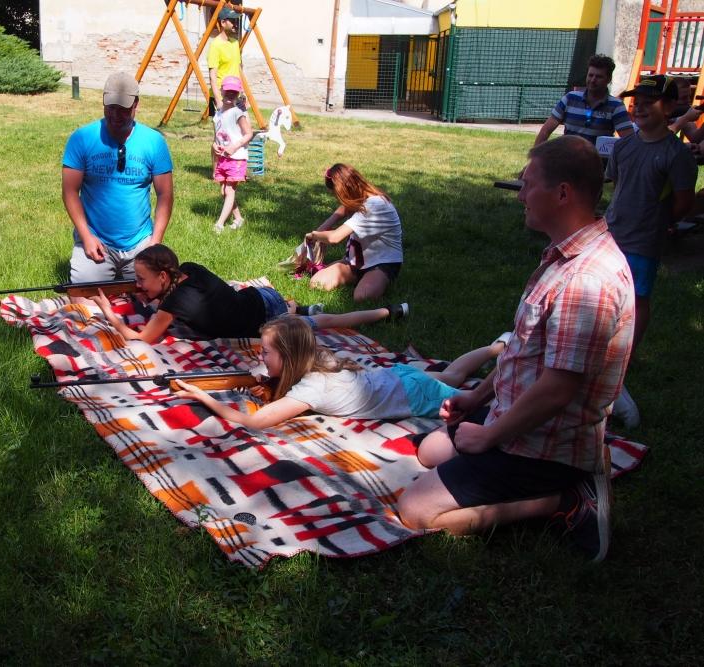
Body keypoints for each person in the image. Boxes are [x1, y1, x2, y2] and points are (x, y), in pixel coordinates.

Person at [396, 136, 636, 563]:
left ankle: (566, 500)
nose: (520, 195)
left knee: (415, 511)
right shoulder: (566, 253)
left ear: (562, 193)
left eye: (528, 185)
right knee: (430, 450)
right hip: (518, 416)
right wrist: (477, 397)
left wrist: (490, 435)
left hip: (546, 442)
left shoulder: (587, 280)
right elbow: (524, 350)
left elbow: (558, 390)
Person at [173, 315, 509, 429]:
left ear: (288, 356)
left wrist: (204, 397)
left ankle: (510, 365)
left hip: (410, 391)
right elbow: (274, 369)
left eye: (266, 352)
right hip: (399, 377)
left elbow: (256, 422)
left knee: (479, 402)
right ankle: (499, 347)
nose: (260, 357)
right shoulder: (316, 358)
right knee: (450, 376)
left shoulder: (311, 389)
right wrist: (263, 371)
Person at [604, 74, 697, 428]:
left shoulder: (676, 154)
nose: (639, 108)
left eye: (649, 102)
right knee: (607, 294)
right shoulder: (624, 146)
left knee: (637, 300)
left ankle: (625, 358)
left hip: (645, 241)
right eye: (636, 102)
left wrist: (662, 223)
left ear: (670, 107)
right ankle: (603, 343)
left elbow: (684, 201)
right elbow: (618, 184)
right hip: (612, 233)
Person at [89, 244, 408, 344]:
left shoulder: (170, 306)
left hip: (269, 321)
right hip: (260, 296)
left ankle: (387, 312)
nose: (138, 285)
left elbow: (142, 338)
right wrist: (152, 296)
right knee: (300, 313)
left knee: (329, 322)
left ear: (163, 276)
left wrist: (109, 314)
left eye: (142, 279)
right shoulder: (190, 269)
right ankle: (297, 308)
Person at [62, 72, 174, 283]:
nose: (115, 114)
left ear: (135, 104)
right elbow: (70, 192)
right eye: (110, 107)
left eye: (122, 109)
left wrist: (155, 242)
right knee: (83, 297)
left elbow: (165, 194)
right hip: (96, 239)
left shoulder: (154, 142)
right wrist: (86, 236)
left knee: (160, 292)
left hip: (141, 242)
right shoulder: (81, 138)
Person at [305, 163, 403, 302]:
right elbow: (342, 210)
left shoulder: (375, 205)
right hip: (356, 262)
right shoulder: (361, 198)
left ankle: (377, 279)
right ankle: (359, 277)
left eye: (336, 194)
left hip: (382, 263)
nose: (336, 198)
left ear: (346, 190)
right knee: (316, 283)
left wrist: (313, 235)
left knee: (362, 297)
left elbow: (334, 238)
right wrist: (321, 231)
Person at [533, 54, 634, 147]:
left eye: (599, 77)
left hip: (597, 160)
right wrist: (535, 157)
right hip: (567, 158)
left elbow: (629, 140)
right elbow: (545, 131)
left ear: (609, 79)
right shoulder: (570, 98)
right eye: (590, 75)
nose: (593, 80)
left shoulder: (616, 106)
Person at [212, 76, 253, 233]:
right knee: (223, 191)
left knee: (229, 191)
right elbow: (216, 137)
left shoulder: (237, 113)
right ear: (221, 91)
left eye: (234, 92)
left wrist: (234, 147)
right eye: (227, 90)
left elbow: (249, 133)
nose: (230, 94)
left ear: (238, 94)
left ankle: (219, 224)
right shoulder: (217, 114)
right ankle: (238, 218)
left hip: (237, 158)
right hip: (223, 158)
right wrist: (215, 146)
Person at [207, 7, 243, 117]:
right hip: (222, 96)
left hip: (236, 93)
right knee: (223, 129)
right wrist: (218, 100)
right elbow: (212, 76)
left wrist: (242, 92)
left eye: (236, 21)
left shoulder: (235, 43)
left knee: (243, 125)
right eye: (232, 21)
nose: (235, 24)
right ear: (223, 23)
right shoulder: (215, 45)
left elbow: (238, 69)